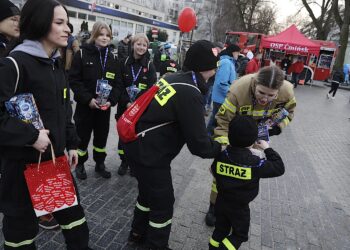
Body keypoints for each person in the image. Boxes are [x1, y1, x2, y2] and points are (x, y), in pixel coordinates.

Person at [0, 0, 90, 248]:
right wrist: (30, 136)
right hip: (20, 171)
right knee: (21, 238)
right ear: (40, 24)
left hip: (52, 167)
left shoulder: (55, 63)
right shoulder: (13, 64)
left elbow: (64, 108)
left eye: (67, 23)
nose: (68, 29)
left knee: (77, 228)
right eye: (59, 23)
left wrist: (72, 143)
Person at [123, 40, 221, 249]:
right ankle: (156, 245)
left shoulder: (174, 77)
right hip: (150, 155)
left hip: (135, 146)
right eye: (215, 65)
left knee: (146, 195)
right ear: (207, 67)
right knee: (163, 205)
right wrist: (219, 148)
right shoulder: (190, 92)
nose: (216, 70)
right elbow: (199, 145)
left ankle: (137, 233)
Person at [205, 65, 296, 226]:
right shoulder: (239, 90)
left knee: (245, 174)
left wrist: (277, 128)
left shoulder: (287, 91)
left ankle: (238, 205)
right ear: (254, 83)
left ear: (279, 90)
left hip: (257, 135)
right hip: (236, 134)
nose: (264, 99)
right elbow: (223, 121)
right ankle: (214, 205)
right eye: (261, 92)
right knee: (224, 172)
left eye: (271, 95)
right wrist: (224, 149)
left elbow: (289, 112)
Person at [208, 115, 285, 249]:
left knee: (220, 230)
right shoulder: (255, 164)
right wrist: (267, 148)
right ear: (253, 141)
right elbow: (279, 167)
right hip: (239, 208)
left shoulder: (222, 156)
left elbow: (213, 169)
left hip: (220, 202)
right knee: (239, 235)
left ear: (229, 135)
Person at [69, 21, 122, 180]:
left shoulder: (113, 58)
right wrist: (88, 99)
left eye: (107, 35)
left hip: (104, 109)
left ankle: (100, 163)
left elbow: (118, 84)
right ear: (94, 35)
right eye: (101, 34)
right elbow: (74, 81)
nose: (104, 38)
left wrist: (111, 101)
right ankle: (80, 164)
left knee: (101, 137)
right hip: (86, 107)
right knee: (82, 137)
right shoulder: (82, 54)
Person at [116, 33, 157, 176]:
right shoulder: (123, 63)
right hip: (124, 108)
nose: (141, 47)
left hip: (140, 111)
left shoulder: (150, 66)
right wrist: (127, 103)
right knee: (123, 136)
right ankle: (123, 161)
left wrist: (137, 106)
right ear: (133, 45)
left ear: (147, 47)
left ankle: (134, 163)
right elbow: (119, 86)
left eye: (144, 45)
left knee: (137, 137)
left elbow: (151, 90)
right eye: (138, 44)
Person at [207, 44, 241, 136]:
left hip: (220, 96)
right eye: (237, 52)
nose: (238, 55)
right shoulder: (226, 62)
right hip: (221, 97)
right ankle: (208, 137)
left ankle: (208, 136)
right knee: (217, 119)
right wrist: (231, 94)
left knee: (215, 118)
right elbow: (222, 82)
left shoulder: (228, 61)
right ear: (233, 52)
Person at [205, 42, 224, 115]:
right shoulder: (212, 54)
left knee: (211, 92)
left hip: (213, 77)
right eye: (220, 49)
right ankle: (205, 107)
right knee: (207, 92)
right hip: (209, 77)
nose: (221, 50)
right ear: (216, 47)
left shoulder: (218, 55)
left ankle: (208, 106)